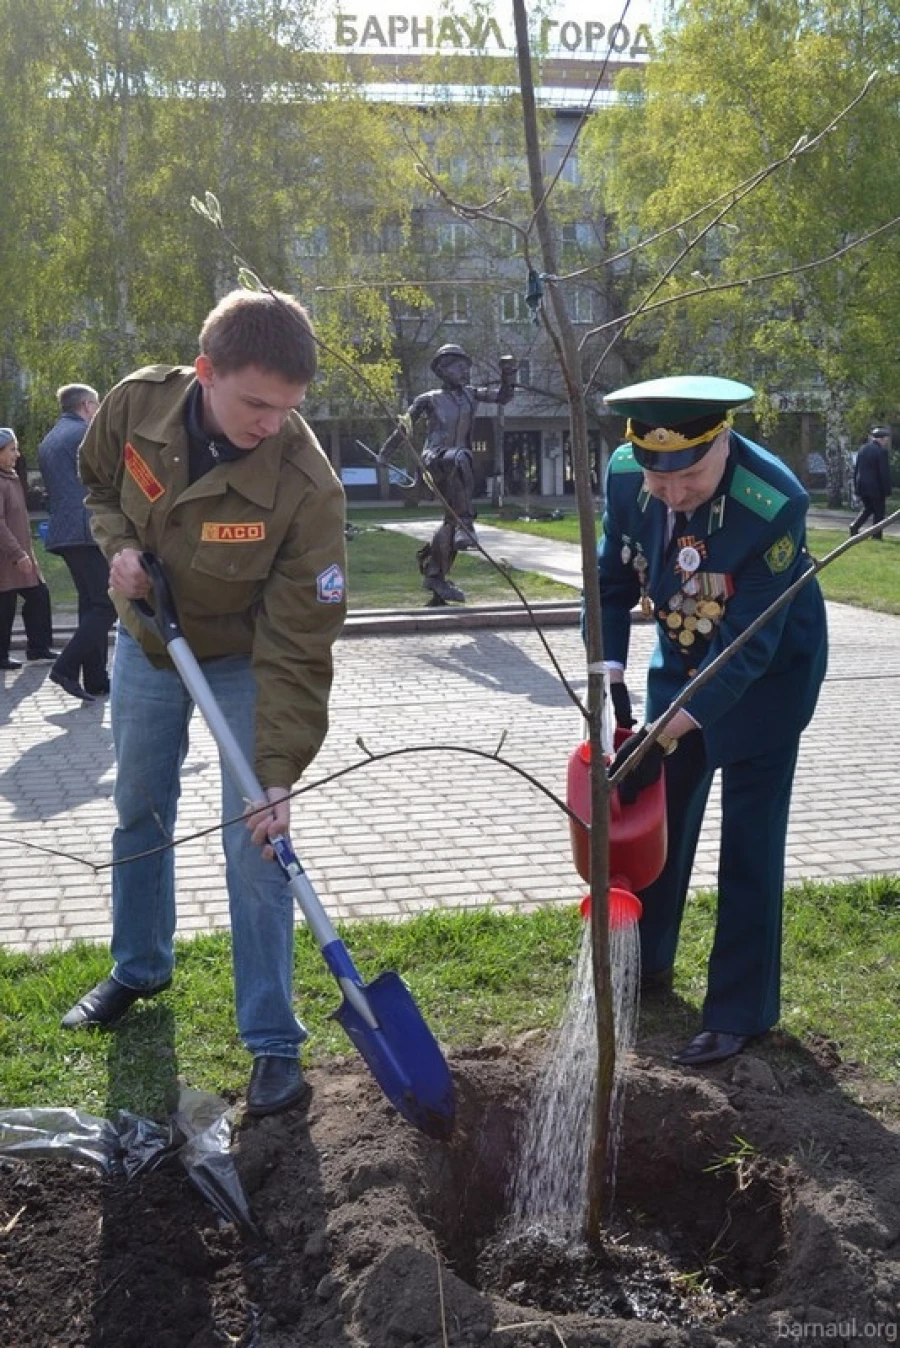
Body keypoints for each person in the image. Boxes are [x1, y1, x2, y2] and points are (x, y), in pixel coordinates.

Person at [61, 289, 348, 1118]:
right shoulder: (136, 403)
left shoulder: (305, 484)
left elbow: (301, 641)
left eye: (289, 408)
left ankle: (271, 1041)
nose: (272, 424)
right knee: (138, 810)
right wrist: (119, 552)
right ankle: (137, 967)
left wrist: (280, 770)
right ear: (205, 370)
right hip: (150, 645)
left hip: (245, 663)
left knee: (256, 842)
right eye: (257, 404)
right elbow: (97, 483)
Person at [596, 375, 828, 1067]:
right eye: (657, 477)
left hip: (769, 677)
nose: (671, 493)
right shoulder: (624, 474)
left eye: (690, 475)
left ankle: (739, 1011)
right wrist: (608, 675)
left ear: (722, 440)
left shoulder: (773, 500)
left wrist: (668, 727)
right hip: (682, 660)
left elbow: (750, 643)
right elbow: (611, 577)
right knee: (660, 819)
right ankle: (648, 965)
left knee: (750, 844)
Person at [380, 344, 517, 604]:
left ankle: (435, 575)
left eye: (467, 366)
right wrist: (385, 454)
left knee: (449, 523)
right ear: (442, 370)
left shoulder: (470, 394)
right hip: (435, 460)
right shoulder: (428, 399)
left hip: (458, 466)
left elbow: (502, 397)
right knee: (462, 459)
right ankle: (467, 524)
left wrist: (508, 375)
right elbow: (404, 428)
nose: (464, 371)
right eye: (458, 366)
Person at [38, 383, 117, 701]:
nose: (98, 412)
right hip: (86, 531)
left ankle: (97, 679)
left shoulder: (51, 437)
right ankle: (66, 668)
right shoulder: (83, 433)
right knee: (106, 605)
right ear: (86, 406)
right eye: (97, 406)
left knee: (91, 604)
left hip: (66, 531)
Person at [0, 428, 57, 670]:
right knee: (5, 606)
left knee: (39, 596)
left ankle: (38, 647)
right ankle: (1, 656)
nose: (17, 454)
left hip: (21, 556)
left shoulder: (10, 476)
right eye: (12, 449)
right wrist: (18, 553)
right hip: (6, 558)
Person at [849, 427, 892, 540]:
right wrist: (887, 490)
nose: (887, 441)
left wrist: (856, 485)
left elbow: (857, 469)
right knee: (879, 512)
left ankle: (854, 526)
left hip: (862, 485)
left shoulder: (863, 449)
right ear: (881, 439)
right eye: (886, 439)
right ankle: (876, 535)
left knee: (868, 508)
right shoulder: (881, 452)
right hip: (876, 487)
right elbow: (884, 473)